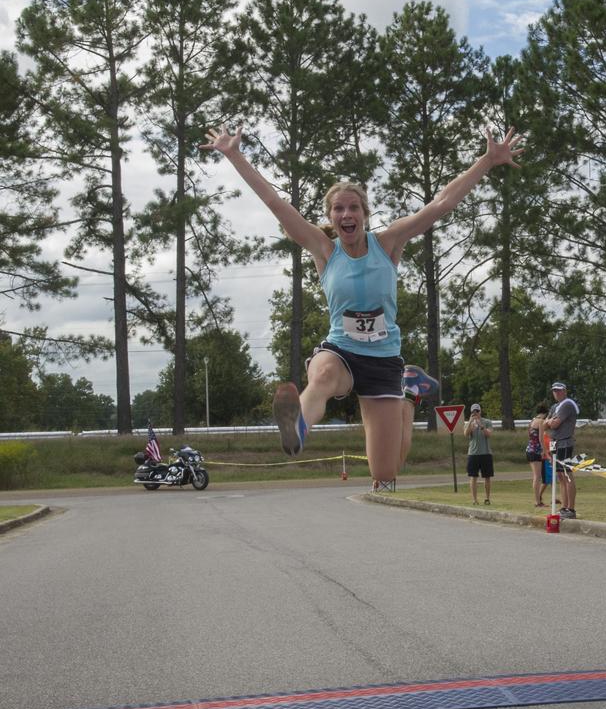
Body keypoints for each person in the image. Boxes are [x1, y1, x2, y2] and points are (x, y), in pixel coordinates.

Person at [201, 124, 523, 492]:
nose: (346, 213)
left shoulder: (388, 243)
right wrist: (234, 154)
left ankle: (408, 399)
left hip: (384, 360)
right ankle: (296, 428)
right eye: (338, 208)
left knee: (385, 475)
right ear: (332, 217)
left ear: (364, 214)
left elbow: (441, 204)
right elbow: (276, 204)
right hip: (341, 352)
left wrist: (488, 159)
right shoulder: (324, 249)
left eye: (353, 207)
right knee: (320, 378)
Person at [545, 381, 579, 518]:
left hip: (564, 443)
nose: (556, 393)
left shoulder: (567, 405)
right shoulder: (555, 406)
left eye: (559, 390)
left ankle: (571, 508)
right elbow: (546, 423)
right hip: (555, 443)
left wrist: (549, 422)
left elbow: (554, 424)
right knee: (560, 476)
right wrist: (549, 422)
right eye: (554, 391)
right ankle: (564, 506)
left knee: (566, 475)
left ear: (565, 391)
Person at [465, 403, 494, 504]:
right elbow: (466, 434)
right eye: (474, 412)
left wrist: (481, 426)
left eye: (477, 411)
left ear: (480, 411)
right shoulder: (469, 423)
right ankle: (474, 499)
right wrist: (470, 422)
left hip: (486, 453)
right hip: (473, 453)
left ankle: (487, 498)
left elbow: (489, 434)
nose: (475, 413)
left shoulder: (487, 422)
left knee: (487, 477)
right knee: (473, 476)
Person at [526, 405, 550, 507]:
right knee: (537, 477)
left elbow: (530, 435)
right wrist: (546, 452)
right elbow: (541, 439)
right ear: (545, 413)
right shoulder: (540, 421)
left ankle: (538, 500)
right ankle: (537, 501)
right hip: (535, 451)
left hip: (529, 449)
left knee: (536, 476)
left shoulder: (532, 421)